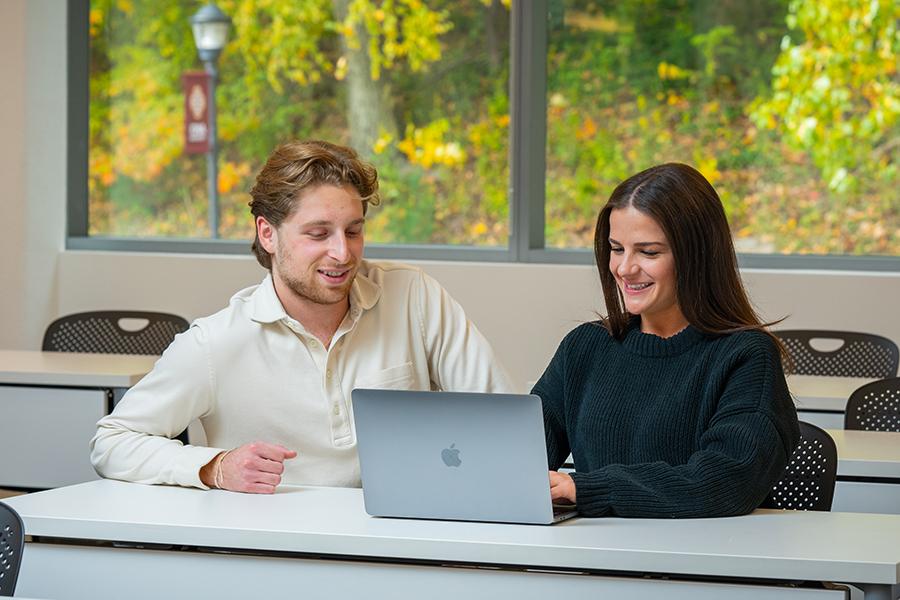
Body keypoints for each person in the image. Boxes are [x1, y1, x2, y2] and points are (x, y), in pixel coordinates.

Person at [90, 140, 513, 494]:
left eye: (353, 230)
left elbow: (504, 420)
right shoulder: (215, 342)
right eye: (318, 234)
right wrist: (214, 467)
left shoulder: (413, 297)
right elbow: (112, 443)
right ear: (267, 234)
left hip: (402, 541)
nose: (342, 253)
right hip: (276, 556)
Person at [535, 163, 799, 518]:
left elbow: (726, 480)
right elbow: (521, 453)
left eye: (648, 252)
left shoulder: (745, 357)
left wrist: (590, 488)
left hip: (700, 564)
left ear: (696, 257)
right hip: (595, 559)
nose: (625, 268)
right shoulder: (585, 347)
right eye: (617, 249)